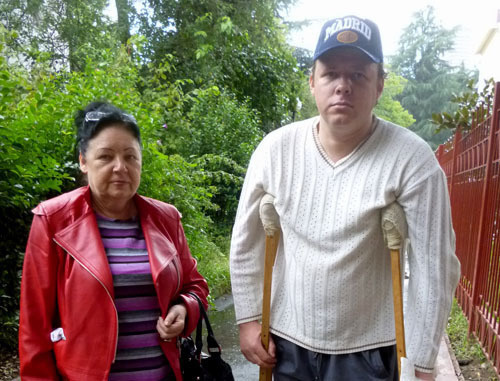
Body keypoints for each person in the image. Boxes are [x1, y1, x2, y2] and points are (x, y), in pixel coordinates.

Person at [230, 15, 460, 380]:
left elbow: (435, 265)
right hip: (287, 341)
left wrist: (423, 360)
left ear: (379, 85)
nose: (343, 86)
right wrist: (247, 319)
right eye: (331, 73)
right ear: (312, 82)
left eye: (358, 75)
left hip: (369, 350)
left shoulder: (412, 159)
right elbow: (246, 242)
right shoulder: (275, 150)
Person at [19, 101, 209, 380]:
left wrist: (184, 308)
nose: (120, 167)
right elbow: (34, 329)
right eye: (106, 157)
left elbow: (196, 286)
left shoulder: (166, 219)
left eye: (130, 156)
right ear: (83, 161)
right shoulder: (53, 221)